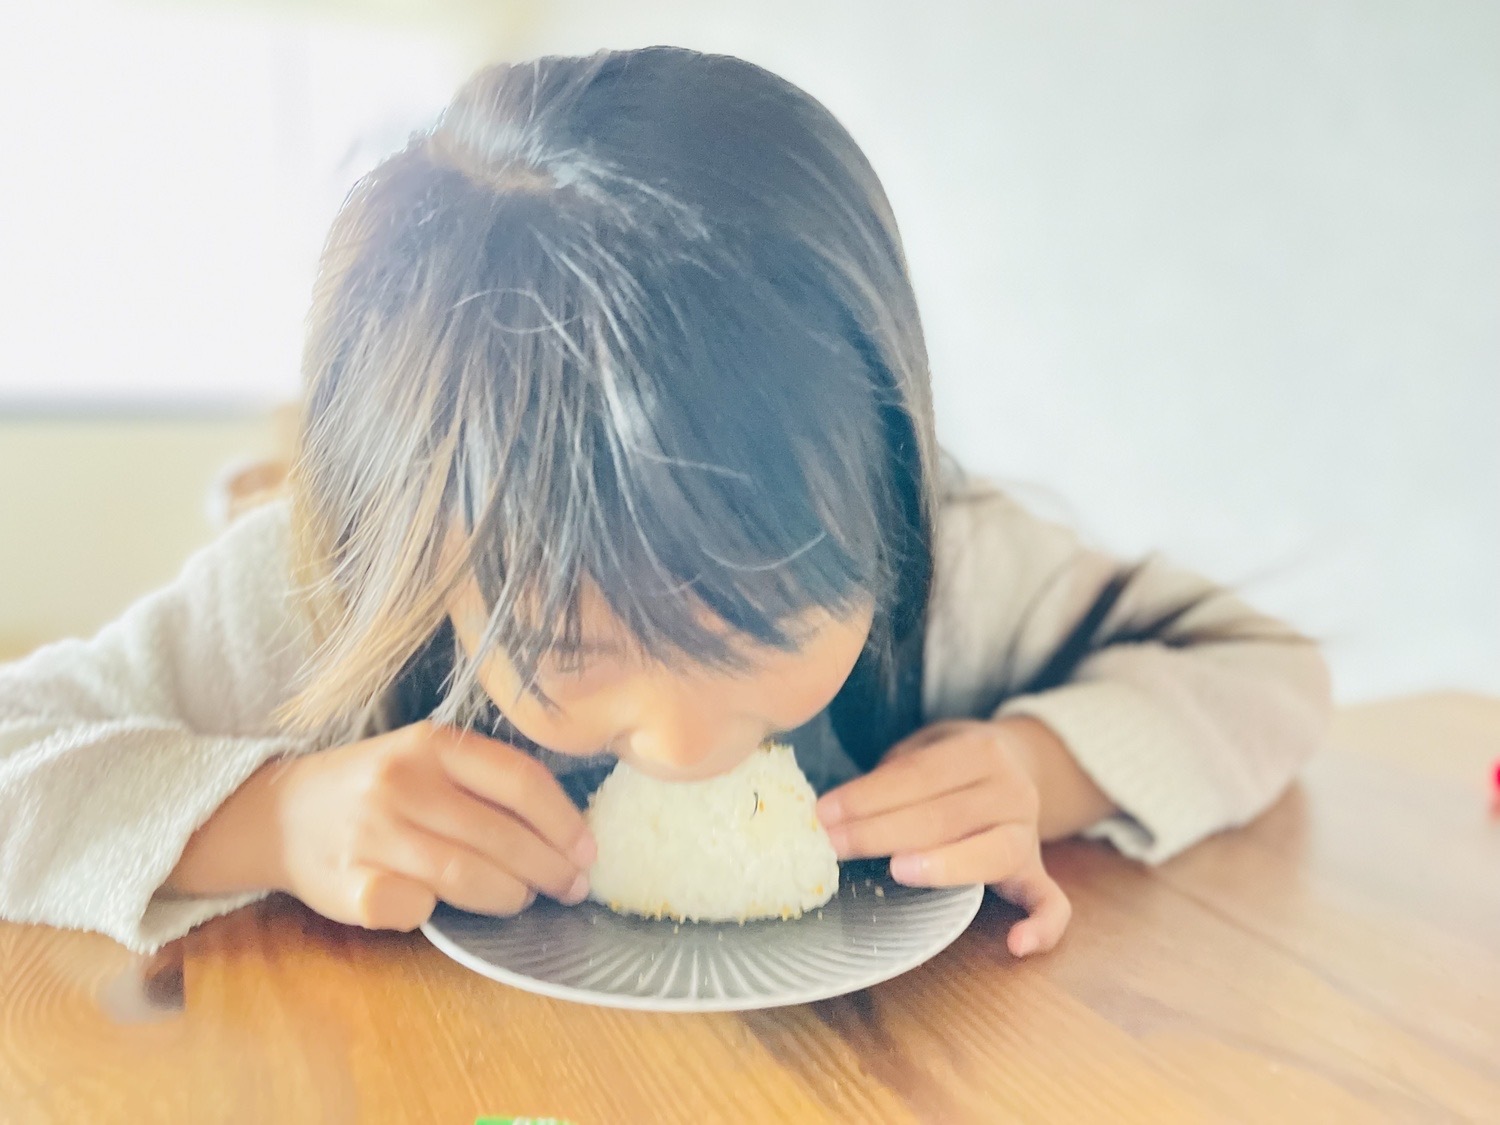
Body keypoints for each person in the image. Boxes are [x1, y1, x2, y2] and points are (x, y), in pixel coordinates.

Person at [0, 47, 1330, 959]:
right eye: (572, 649)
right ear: (417, 543)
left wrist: (1042, 767)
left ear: (876, 480)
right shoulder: (339, 596)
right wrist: (269, 818)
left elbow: (1270, 674)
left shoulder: (950, 559)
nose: (687, 741)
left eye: (757, 623)